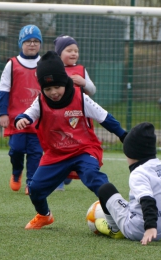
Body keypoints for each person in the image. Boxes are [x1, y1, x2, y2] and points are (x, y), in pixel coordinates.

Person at [15, 51, 127, 230]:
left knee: (93, 177)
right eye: (48, 89)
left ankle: (120, 212)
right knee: (35, 189)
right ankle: (44, 215)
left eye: (57, 87)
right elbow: (28, 113)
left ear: (65, 82)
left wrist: (123, 135)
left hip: (84, 150)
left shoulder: (80, 98)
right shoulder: (40, 101)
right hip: (56, 154)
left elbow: (104, 117)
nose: (53, 92)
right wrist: (22, 119)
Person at [95, 122, 161, 245]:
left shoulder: (139, 173)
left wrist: (150, 227)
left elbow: (147, 200)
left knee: (105, 189)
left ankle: (114, 229)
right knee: (132, 202)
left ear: (132, 153)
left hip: (138, 229)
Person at [0, 25, 43, 195]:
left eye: (36, 41)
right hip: (17, 119)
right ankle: (16, 172)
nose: (32, 44)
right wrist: (3, 113)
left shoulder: (45, 64)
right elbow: (3, 90)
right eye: (28, 41)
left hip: (39, 119)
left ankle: (31, 183)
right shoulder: (12, 64)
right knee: (16, 150)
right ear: (21, 43)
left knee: (36, 153)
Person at [54, 34, 96, 190]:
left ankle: (69, 173)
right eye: (69, 50)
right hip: (58, 117)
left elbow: (92, 90)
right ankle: (57, 181)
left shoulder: (81, 70)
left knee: (76, 147)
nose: (73, 54)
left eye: (76, 51)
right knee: (58, 146)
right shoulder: (54, 70)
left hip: (77, 119)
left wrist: (83, 82)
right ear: (59, 54)